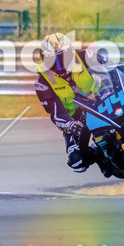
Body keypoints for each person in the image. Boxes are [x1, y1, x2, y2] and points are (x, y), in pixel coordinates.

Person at [34, 32, 103, 172]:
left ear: (70, 53)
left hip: (102, 104)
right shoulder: (42, 82)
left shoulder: (86, 57)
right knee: (77, 162)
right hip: (75, 118)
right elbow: (54, 111)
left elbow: (112, 69)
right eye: (52, 59)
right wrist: (68, 124)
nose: (58, 65)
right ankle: (98, 153)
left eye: (62, 57)